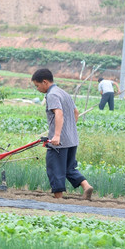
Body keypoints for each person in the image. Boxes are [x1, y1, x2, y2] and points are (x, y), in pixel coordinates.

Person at [31, 68, 94, 200]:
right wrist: (69, 129)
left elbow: (58, 113)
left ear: (45, 82)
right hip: (72, 139)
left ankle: (58, 198)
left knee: (54, 168)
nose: (37, 89)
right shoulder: (64, 93)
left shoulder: (52, 94)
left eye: (37, 86)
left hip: (59, 142)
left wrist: (58, 135)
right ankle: (86, 186)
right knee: (68, 168)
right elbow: (75, 113)